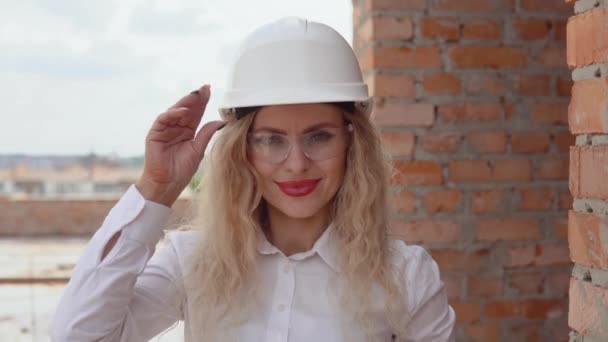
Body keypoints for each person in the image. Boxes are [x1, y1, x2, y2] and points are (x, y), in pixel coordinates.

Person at [51, 17, 455, 341]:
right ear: (243, 150)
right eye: (271, 140)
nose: (296, 164)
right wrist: (157, 189)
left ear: (353, 144)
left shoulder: (405, 274)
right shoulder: (192, 260)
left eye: (319, 136)